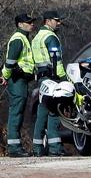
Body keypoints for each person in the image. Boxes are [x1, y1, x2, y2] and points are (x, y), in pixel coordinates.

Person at [31, 10, 67, 156]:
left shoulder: (37, 37)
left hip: (41, 78)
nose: (58, 23)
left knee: (42, 112)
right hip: (52, 78)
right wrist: (64, 78)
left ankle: (37, 148)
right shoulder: (51, 37)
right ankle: (55, 148)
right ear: (47, 21)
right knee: (54, 111)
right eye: (56, 20)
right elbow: (56, 60)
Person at [0, 13, 36, 157]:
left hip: (21, 80)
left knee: (19, 112)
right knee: (16, 112)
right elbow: (10, 62)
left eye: (32, 22)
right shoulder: (18, 39)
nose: (32, 24)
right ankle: (14, 148)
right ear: (20, 24)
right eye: (28, 22)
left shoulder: (23, 38)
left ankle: (15, 146)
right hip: (17, 80)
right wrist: (5, 76)